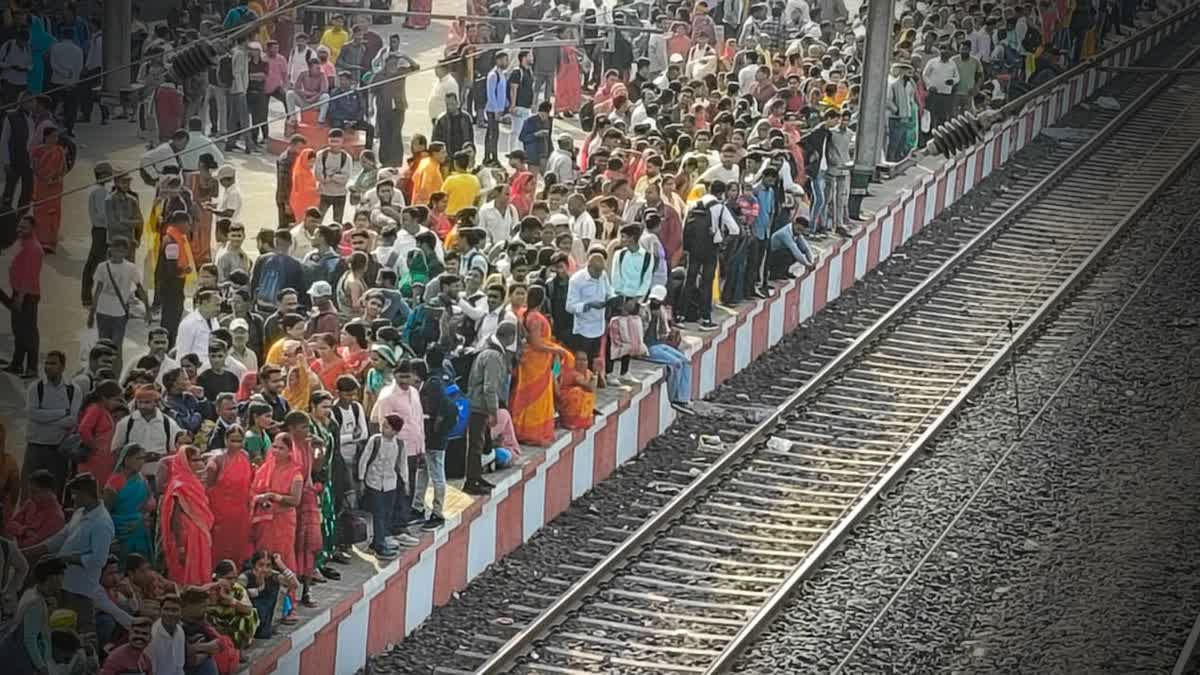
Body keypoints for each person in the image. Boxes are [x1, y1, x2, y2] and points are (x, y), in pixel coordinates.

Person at [24, 473, 131, 648]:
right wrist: (30, 552)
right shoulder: (80, 513)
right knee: (61, 629)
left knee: (84, 633)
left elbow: (98, 559)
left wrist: (66, 558)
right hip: (64, 583)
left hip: (81, 588)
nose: (72, 498)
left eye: (75, 494)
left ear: (85, 494)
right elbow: (62, 536)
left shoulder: (102, 523)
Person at [510, 285, 569, 445]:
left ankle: (523, 430)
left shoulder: (524, 313)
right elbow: (535, 343)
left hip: (532, 361)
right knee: (535, 398)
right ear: (543, 300)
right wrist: (557, 350)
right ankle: (531, 434)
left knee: (525, 396)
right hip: (535, 362)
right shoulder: (535, 317)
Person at [465, 321, 515, 495]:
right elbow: (489, 387)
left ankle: (476, 476)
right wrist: (493, 411)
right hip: (480, 405)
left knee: (480, 442)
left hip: (478, 402)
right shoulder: (494, 356)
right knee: (476, 444)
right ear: (510, 337)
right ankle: (471, 481)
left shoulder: (488, 350)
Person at [250, 432, 304, 574]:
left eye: (281, 448)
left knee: (281, 557)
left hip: (283, 522)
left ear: (290, 451)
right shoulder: (265, 468)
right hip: (264, 522)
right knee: (263, 556)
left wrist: (274, 497)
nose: (276, 451)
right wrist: (259, 499)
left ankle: (285, 592)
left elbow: (295, 500)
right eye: (274, 447)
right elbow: (253, 491)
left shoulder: (295, 473)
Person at [2, 557, 63, 673]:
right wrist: (42, 667)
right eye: (61, 574)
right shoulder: (36, 603)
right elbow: (30, 639)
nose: (63, 579)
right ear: (52, 577)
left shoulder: (31, 593)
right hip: (19, 662)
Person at [358, 413, 405, 559]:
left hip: (390, 484)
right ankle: (379, 544)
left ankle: (380, 539)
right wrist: (361, 478)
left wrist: (405, 481)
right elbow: (364, 459)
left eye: (387, 427)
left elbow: (402, 464)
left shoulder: (399, 444)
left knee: (387, 513)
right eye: (383, 425)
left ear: (395, 431)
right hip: (374, 482)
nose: (382, 428)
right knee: (378, 514)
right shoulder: (375, 440)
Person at [642, 285, 693, 411]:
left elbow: (665, 331)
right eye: (654, 300)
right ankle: (674, 398)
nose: (655, 303)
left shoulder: (661, 311)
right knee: (676, 364)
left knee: (686, 362)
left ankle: (683, 397)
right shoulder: (643, 311)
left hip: (659, 344)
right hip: (648, 347)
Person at [5, 214, 44, 378]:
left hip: (27, 296)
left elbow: (29, 276)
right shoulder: (23, 243)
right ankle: (17, 363)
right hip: (20, 292)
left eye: (24, 227)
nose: (20, 230)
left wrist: (20, 297)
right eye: (19, 226)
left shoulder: (33, 249)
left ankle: (32, 368)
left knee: (28, 332)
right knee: (19, 330)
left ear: (33, 229)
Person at [103, 443, 154, 561]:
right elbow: (106, 511)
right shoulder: (115, 482)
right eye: (138, 458)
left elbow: (147, 502)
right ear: (126, 460)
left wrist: (142, 518)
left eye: (143, 458)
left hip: (139, 528)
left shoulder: (142, 479)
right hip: (120, 531)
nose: (142, 462)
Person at [565, 253, 614, 375]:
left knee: (594, 360)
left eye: (601, 270)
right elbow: (570, 306)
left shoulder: (602, 275)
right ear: (589, 266)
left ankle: (591, 384)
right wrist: (589, 305)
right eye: (596, 271)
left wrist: (613, 299)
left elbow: (609, 291)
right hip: (583, 328)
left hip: (599, 325)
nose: (599, 274)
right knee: (582, 362)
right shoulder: (577, 280)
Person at [77, 380, 123, 491]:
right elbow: (84, 429)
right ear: (104, 398)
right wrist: (94, 448)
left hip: (102, 460)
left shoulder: (102, 410)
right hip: (95, 461)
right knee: (93, 492)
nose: (117, 403)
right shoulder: (95, 409)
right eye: (115, 399)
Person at [29, 126, 67, 253]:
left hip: (55, 187)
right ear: (45, 137)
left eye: (56, 137)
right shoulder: (37, 151)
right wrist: (45, 179)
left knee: (54, 214)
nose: (54, 139)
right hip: (42, 187)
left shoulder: (60, 151)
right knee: (40, 213)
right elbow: (35, 169)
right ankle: (40, 240)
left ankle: (51, 240)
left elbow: (64, 169)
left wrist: (57, 177)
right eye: (52, 137)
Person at [206, 559, 258, 649]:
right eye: (229, 578)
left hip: (231, 626)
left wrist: (231, 600)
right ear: (218, 577)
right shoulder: (210, 587)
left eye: (235, 578)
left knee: (252, 615)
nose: (233, 581)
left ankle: (239, 647)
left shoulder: (238, 589)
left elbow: (249, 609)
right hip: (213, 627)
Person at [6, 470, 64, 548]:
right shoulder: (31, 502)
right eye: (29, 491)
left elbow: (32, 545)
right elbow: (10, 524)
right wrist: (24, 531)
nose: (30, 496)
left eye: (34, 492)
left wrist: (16, 535)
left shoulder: (56, 518)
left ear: (49, 491)